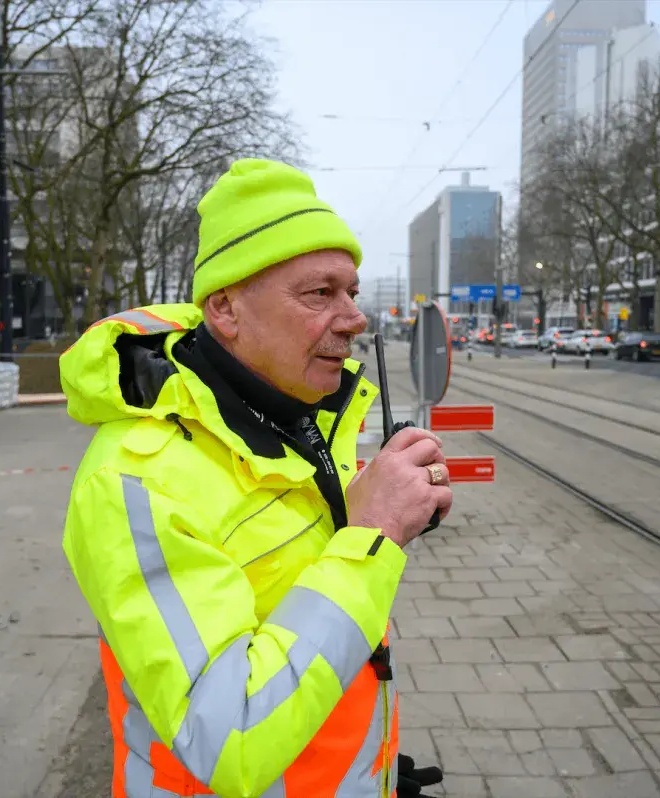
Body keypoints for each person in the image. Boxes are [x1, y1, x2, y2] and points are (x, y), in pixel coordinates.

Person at [60, 158, 451, 797]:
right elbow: (229, 737)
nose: (353, 317)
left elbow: (304, 611)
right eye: (320, 294)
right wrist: (373, 532)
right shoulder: (135, 480)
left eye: (351, 290)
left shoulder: (296, 415)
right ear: (226, 309)